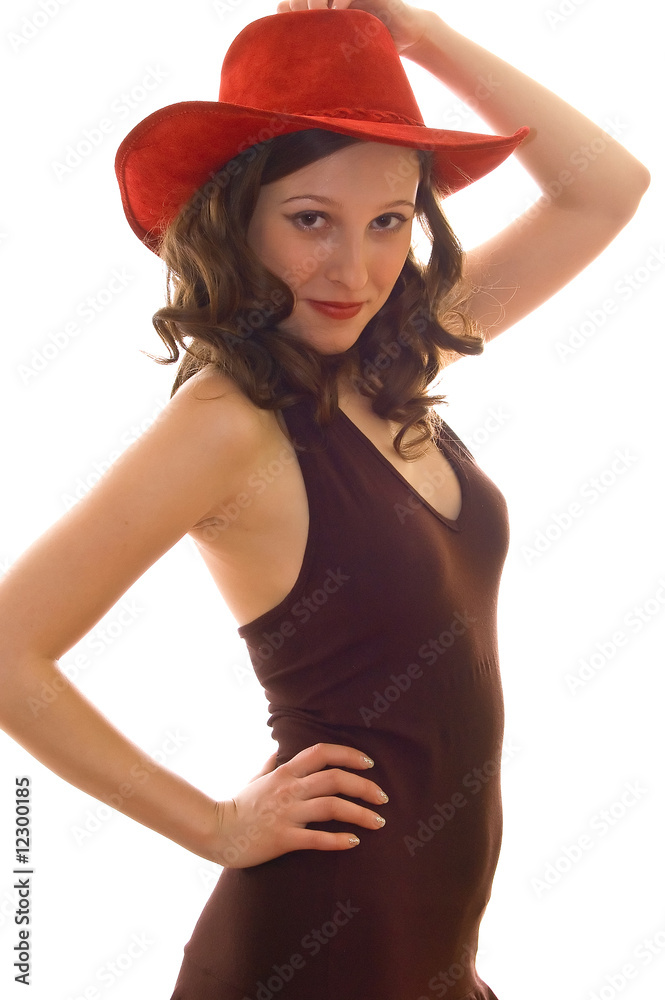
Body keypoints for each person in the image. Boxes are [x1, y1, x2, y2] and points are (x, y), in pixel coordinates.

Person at [0, 2, 650, 998]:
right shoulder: (226, 424)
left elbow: (605, 189)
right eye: (311, 219)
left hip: (431, 954)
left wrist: (412, 33)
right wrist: (213, 822)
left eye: (388, 220)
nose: (352, 270)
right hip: (313, 949)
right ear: (237, 216)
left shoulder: (396, 349)